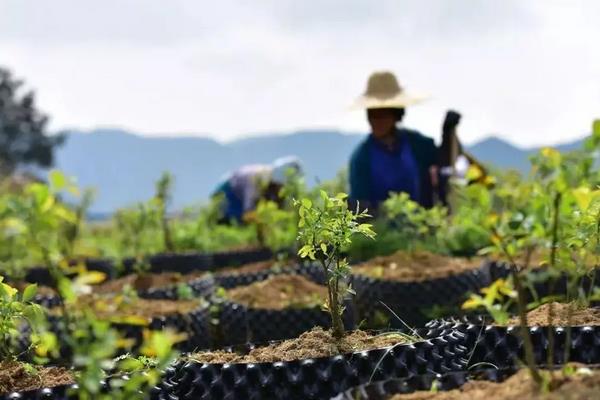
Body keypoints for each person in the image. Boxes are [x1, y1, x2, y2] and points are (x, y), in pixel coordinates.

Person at [349, 71, 438, 210]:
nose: (375, 121)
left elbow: (445, 164)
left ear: (395, 115)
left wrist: (449, 133)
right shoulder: (362, 157)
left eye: (381, 115)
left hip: (422, 226)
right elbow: (359, 206)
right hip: (380, 229)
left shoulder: (418, 144)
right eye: (372, 115)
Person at [213, 156, 302, 223]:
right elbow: (248, 212)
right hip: (228, 190)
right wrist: (265, 222)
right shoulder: (256, 180)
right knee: (230, 219)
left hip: (240, 193)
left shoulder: (273, 182)